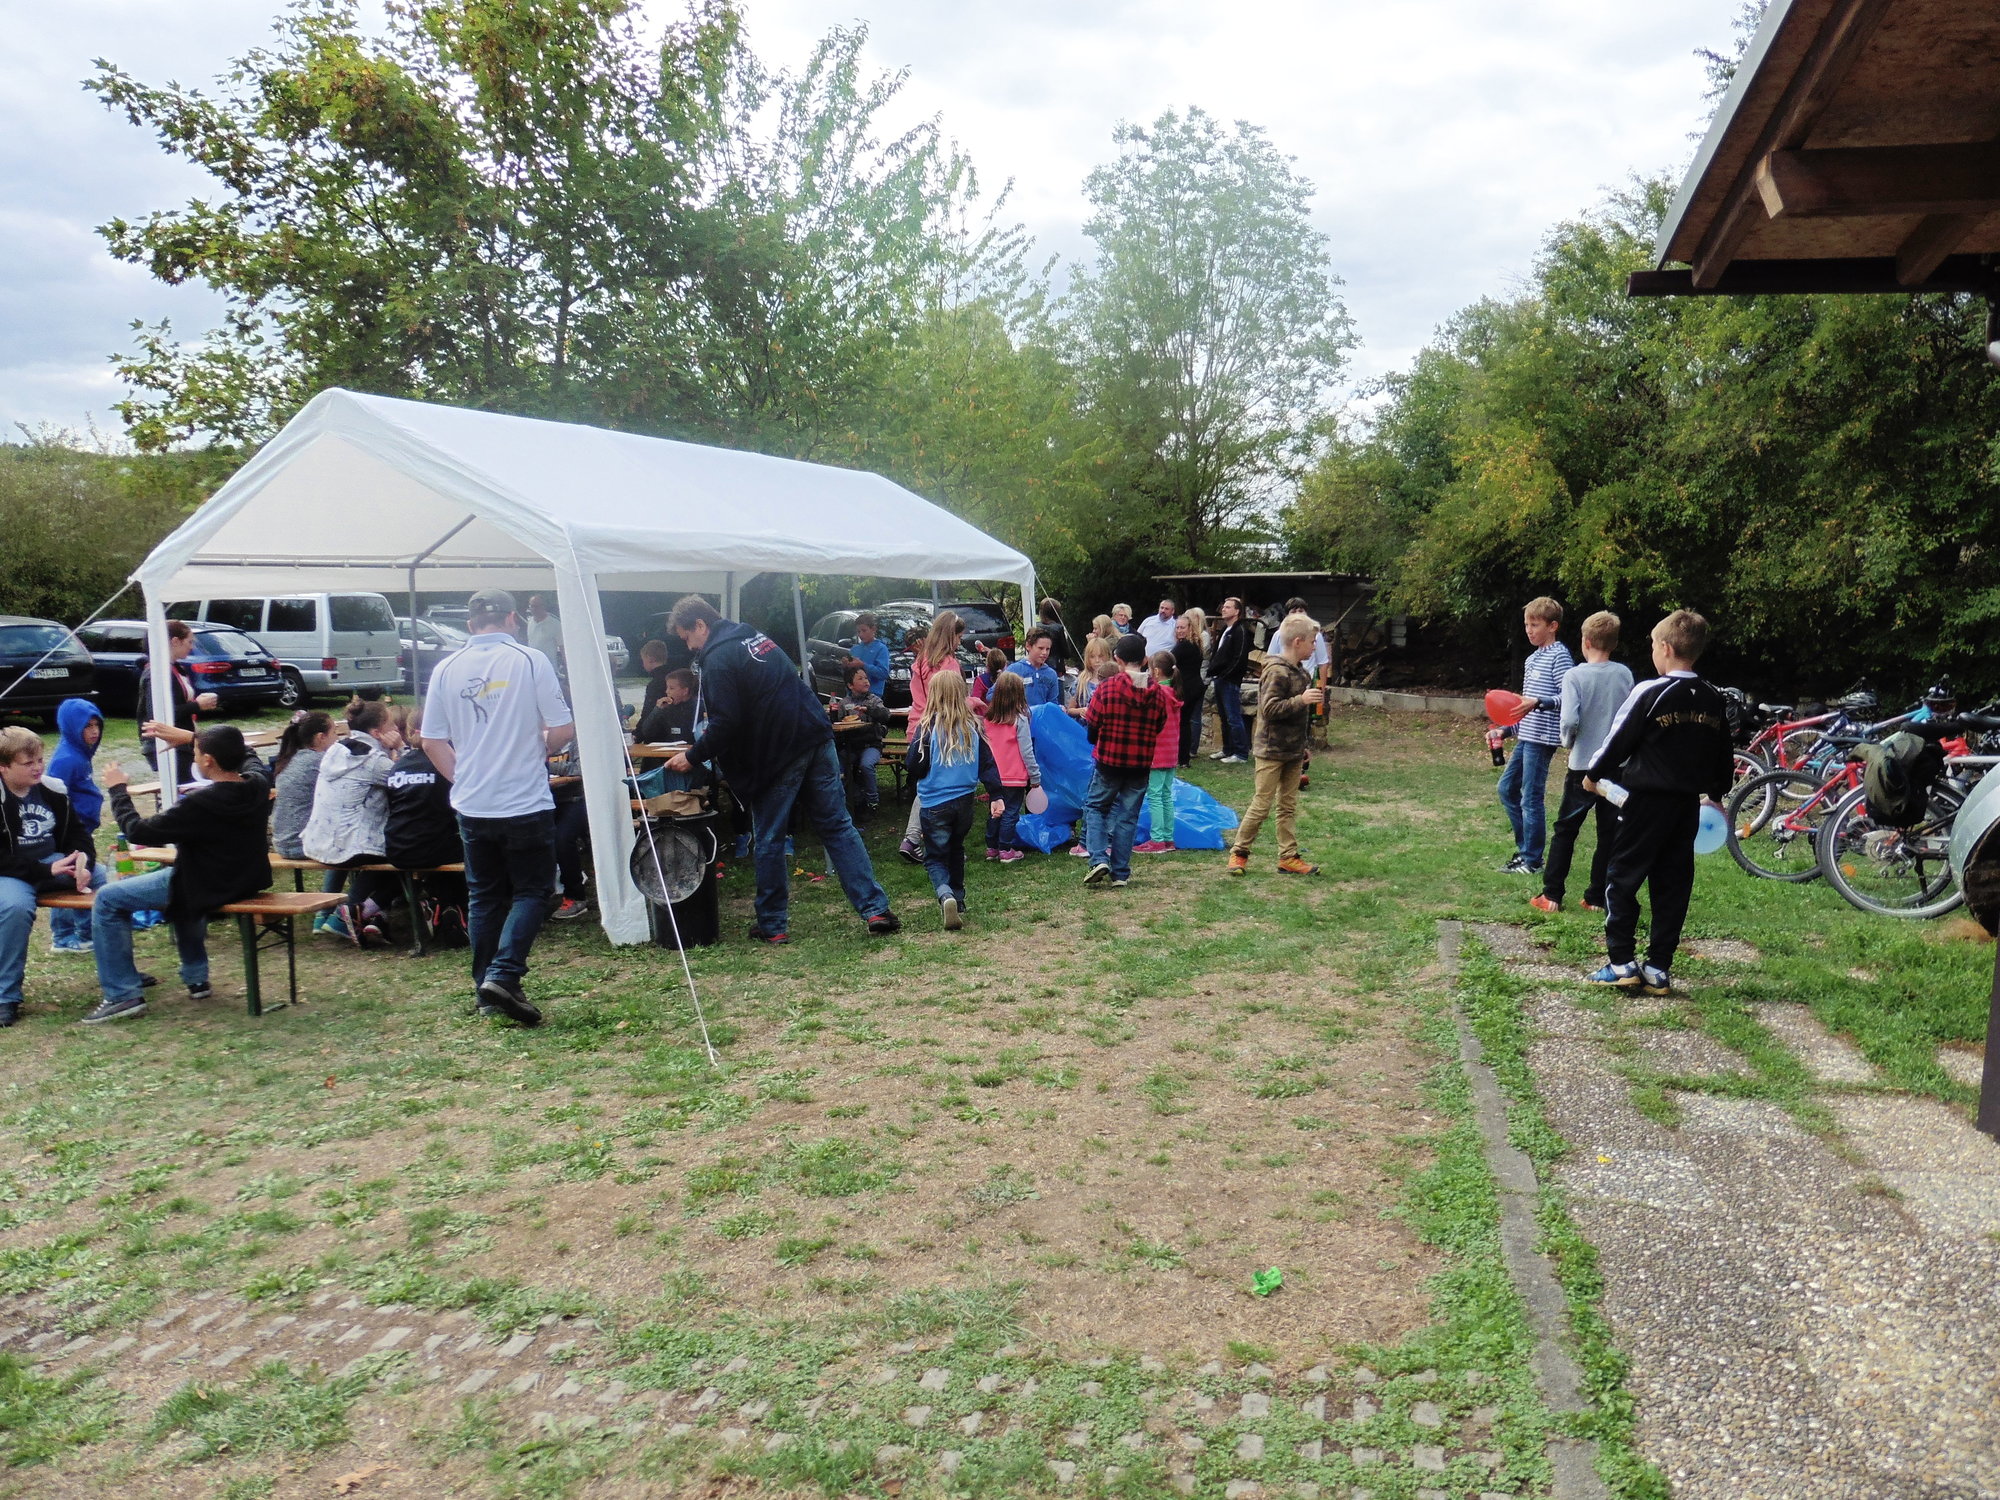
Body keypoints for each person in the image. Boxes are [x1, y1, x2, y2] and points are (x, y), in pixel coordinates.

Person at [663, 595, 899, 943]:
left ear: (700, 625)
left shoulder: (717, 658)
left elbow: (726, 721)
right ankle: (876, 909)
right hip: (814, 734)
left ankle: (773, 925)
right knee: (837, 825)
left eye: (687, 637)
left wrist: (693, 756)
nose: (689, 646)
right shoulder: (754, 636)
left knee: (770, 837)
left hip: (777, 750)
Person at [421, 586, 575, 1026]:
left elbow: (431, 741)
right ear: (512, 619)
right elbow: (563, 728)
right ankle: (503, 974)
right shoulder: (529, 659)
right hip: (524, 798)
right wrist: (541, 745)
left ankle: (485, 991)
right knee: (533, 890)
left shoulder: (446, 667)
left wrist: (465, 777)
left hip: (474, 803)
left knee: (484, 896)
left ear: (470, 625)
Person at [1580, 611, 1733, 996]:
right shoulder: (1713, 698)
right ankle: (1658, 968)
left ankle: (1621, 963)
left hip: (1644, 804)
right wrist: (1717, 794)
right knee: (1673, 885)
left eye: (1652, 645)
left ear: (1664, 648)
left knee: (1622, 878)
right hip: (1686, 808)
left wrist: (1594, 774)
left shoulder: (1651, 692)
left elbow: (1619, 738)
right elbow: (1723, 755)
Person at [88, 725, 271, 1025]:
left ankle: (122, 995)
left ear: (208, 760)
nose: (194, 756)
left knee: (108, 899)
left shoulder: (200, 804)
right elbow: (249, 755)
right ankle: (196, 978)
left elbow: (138, 831)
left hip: (206, 884)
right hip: (246, 880)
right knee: (182, 884)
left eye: (197, 752)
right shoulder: (257, 784)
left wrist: (118, 790)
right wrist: (192, 738)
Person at [0, 726, 102, 1025]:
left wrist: (84, 863)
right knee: (15, 907)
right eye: (27, 763)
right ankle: (6, 996)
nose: (37, 768)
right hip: (12, 872)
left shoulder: (53, 789)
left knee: (106, 884)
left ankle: (120, 974)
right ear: (3, 767)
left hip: (54, 863)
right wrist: (45, 870)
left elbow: (78, 835)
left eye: (40, 760)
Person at [1533, 611, 1632, 915]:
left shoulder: (1574, 676)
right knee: (1609, 833)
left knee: (1566, 828)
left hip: (1583, 766)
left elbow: (1569, 720)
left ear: (1585, 641)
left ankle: (1552, 894)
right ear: (1614, 643)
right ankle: (1596, 898)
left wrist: (1568, 742)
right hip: (1616, 765)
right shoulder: (1624, 674)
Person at [1225, 614, 1326, 876]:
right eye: (1312, 641)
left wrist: (1303, 744)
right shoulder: (1276, 671)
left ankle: (1288, 857)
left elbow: (1298, 717)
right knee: (1262, 805)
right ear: (1297, 641)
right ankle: (1239, 853)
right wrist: (1301, 700)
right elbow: (1269, 709)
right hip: (1271, 751)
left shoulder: (1301, 672)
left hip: (1293, 750)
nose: (1315, 646)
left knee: (1288, 806)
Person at [906, 669, 1004, 930]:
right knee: (956, 849)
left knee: (935, 856)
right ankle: (958, 899)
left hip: (934, 804)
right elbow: (987, 764)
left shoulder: (927, 729)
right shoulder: (972, 727)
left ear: (934, 696)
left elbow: (914, 766)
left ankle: (945, 893)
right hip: (964, 803)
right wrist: (997, 795)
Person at [303, 700, 403, 945]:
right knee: (408, 861)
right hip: (352, 846)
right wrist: (401, 749)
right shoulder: (373, 760)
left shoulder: (336, 750)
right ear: (377, 732)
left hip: (319, 840)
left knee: (357, 849)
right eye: (392, 725)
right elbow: (409, 779)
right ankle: (344, 916)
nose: (396, 729)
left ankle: (323, 914)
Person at [1080, 634, 1170, 888]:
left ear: (1117, 659)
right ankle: (1120, 872)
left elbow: (1092, 722)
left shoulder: (1107, 688)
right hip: (1140, 764)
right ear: (1145, 660)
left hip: (1109, 760)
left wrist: (1095, 738)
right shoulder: (1158, 693)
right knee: (1128, 816)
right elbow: (1159, 725)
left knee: (1096, 807)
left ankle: (1098, 858)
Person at [1499, 596, 1574, 876]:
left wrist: (1540, 702)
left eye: (1535, 625)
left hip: (1542, 739)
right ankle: (1526, 851)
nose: (1529, 630)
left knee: (1530, 797)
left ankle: (1532, 860)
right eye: (1526, 625)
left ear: (1552, 626)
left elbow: (1568, 697)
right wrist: (1506, 729)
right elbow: (1524, 707)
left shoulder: (1560, 655)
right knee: (1506, 789)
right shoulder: (1531, 659)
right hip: (1526, 736)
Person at [384, 718, 469, 941]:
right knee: (477, 849)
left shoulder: (398, 764)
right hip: (433, 847)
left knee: (445, 846)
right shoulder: (444, 764)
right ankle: (455, 908)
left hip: (397, 847)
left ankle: (440, 904)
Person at [897, 612, 966, 864]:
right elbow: (952, 702)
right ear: (950, 635)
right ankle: (931, 841)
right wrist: (972, 704)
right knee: (946, 788)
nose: (960, 641)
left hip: (918, 727)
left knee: (927, 785)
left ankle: (915, 839)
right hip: (942, 730)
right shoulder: (948, 664)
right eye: (959, 636)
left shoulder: (921, 661)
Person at [43, 698, 106, 954]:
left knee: (83, 874)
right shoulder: (67, 758)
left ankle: (81, 931)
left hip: (82, 830)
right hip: (69, 833)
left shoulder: (81, 753)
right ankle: (64, 936)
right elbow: (53, 794)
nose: (94, 731)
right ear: (72, 727)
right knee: (72, 877)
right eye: (86, 726)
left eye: (96, 725)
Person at [138, 619, 219, 788]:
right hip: (167, 743)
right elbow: (158, 716)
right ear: (175, 641)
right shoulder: (156, 673)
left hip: (182, 740)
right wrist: (197, 705)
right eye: (189, 642)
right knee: (185, 788)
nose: (192, 647)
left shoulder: (174, 668)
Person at [979, 670, 1041, 863]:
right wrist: (1035, 775)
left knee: (995, 811)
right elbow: (1027, 751)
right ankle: (1005, 848)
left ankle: (992, 847)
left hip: (993, 776)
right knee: (1011, 812)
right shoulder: (1019, 720)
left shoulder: (987, 720)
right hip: (1014, 776)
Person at [1133, 651, 1181, 855]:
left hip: (1157, 752)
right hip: (1171, 752)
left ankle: (1157, 840)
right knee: (1166, 795)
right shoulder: (1174, 692)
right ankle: (1168, 838)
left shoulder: (1157, 694)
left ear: (1157, 671)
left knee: (1154, 796)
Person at [272, 710, 337, 860]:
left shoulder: (290, 758)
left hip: (282, 842)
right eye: (334, 732)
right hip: (302, 844)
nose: (337, 738)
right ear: (321, 737)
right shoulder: (321, 761)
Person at [830, 661, 890, 813]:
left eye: (866, 678)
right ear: (850, 685)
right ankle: (854, 798)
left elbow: (885, 715)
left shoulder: (874, 700)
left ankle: (872, 801)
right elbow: (838, 723)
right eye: (860, 678)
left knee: (866, 765)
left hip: (871, 745)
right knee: (838, 766)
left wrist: (868, 710)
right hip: (851, 745)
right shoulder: (844, 703)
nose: (865, 681)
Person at [1285, 598, 1330, 789]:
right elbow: (1270, 657)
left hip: (1307, 685)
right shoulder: (1280, 634)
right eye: (1294, 610)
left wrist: (1321, 690)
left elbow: (1323, 663)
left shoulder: (1315, 635)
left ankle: (1300, 770)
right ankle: (1288, 770)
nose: (1298, 614)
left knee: (1302, 727)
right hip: (1286, 686)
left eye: (1301, 610)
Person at [1207, 597, 1251, 764]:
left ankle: (1241, 753)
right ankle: (1227, 749)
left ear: (1237, 611)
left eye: (1228, 607)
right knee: (1224, 716)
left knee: (1233, 717)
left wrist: (1226, 674)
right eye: (1223, 607)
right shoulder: (1226, 629)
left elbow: (1239, 658)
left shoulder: (1240, 631)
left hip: (1230, 680)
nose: (1223, 609)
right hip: (1219, 678)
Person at [1172, 613, 1206, 767]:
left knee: (1182, 723)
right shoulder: (1196, 644)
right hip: (1195, 686)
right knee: (1185, 723)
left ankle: (1182, 758)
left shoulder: (1184, 646)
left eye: (1182, 627)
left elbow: (1169, 660)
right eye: (1177, 627)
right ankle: (1183, 758)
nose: (1179, 630)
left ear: (1190, 628)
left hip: (1187, 688)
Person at [1004, 629, 1064, 708]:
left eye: (1047, 649)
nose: (1045, 653)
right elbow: (993, 695)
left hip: (1042, 715)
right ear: (1028, 646)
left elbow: (1053, 703)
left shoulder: (1051, 674)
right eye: (1040, 648)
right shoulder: (1013, 670)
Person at [637, 669, 699, 744]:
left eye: (671, 688)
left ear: (685, 691)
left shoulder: (698, 709)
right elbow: (647, 733)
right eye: (667, 688)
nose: (667, 691)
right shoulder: (666, 708)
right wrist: (657, 710)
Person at [849, 612, 891, 698]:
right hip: (853, 695)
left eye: (864, 631)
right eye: (858, 631)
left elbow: (883, 673)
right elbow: (848, 676)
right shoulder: (854, 649)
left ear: (873, 629)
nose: (861, 634)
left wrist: (863, 665)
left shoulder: (881, 648)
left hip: (872, 696)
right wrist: (846, 666)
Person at [524, 593, 564, 665]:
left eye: (536, 606)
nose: (534, 609)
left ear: (543, 606)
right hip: (533, 665)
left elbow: (562, 647)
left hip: (548, 666)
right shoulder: (530, 621)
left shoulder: (555, 624)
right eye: (532, 606)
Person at [1036, 598, 1074, 669]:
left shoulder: (1035, 626)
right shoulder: (1058, 628)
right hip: (1055, 667)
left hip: (1037, 665)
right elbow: (1067, 653)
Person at [969, 648, 1010, 712]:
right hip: (1003, 714)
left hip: (984, 715)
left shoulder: (980, 680)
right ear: (1004, 664)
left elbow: (974, 701)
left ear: (987, 664)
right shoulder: (1008, 680)